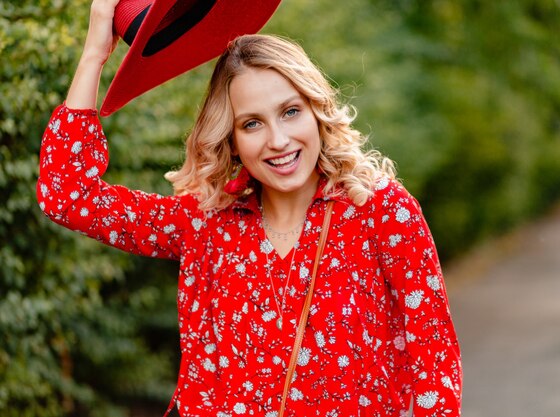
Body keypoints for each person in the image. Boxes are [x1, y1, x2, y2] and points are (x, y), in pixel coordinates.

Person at [37, 0, 462, 416]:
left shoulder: (380, 211)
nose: (277, 140)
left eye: (290, 112)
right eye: (252, 123)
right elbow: (67, 194)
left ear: (317, 112)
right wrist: (95, 52)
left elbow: (436, 363)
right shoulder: (205, 223)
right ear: (232, 140)